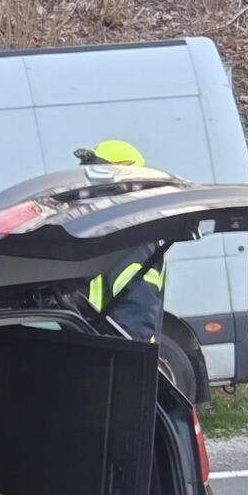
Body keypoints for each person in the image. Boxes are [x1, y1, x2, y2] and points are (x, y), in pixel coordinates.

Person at [75, 140, 166, 343]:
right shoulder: (103, 232)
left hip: (112, 352)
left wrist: (122, 359)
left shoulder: (130, 237)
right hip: (94, 347)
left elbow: (136, 314)